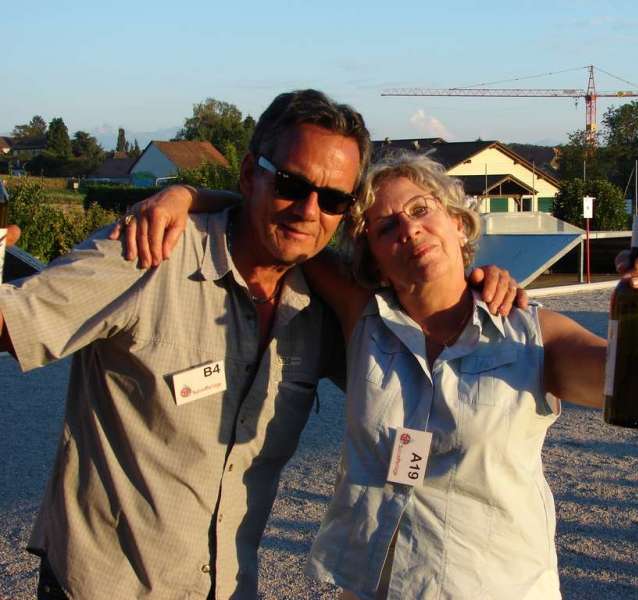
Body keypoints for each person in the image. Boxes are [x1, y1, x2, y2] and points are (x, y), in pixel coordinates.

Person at [0, 90, 521, 599]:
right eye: (292, 185)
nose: (309, 210)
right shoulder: (151, 250)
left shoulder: (320, 307)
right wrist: (184, 196)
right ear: (250, 174)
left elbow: (424, 368)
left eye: (335, 199)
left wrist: (475, 291)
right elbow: (14, 321)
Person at [293, 152, 638, 599]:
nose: (409, 229)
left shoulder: (528, 333)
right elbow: (279, 227)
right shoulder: (362, 319)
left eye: (421, 210)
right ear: (372, 262)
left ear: (458, 223)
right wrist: (198, 198)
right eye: (386, 228)